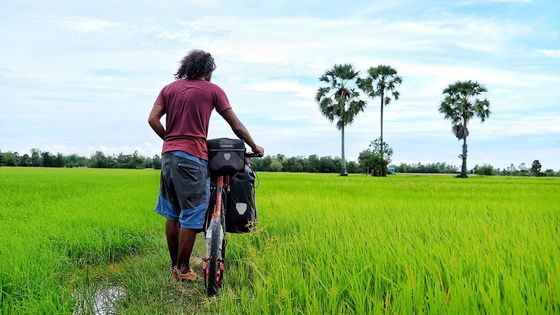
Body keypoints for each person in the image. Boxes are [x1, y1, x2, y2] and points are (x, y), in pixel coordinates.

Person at [148, 50, 264, 282]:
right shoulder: (213, 90)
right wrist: (254, 145)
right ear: (207, 70)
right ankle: (182, 269)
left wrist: (171, 140)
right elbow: (236, 125)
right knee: (192, 213)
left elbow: (152, 119)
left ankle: (175, 266)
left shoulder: (168, 88)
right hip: (192, 158)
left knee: (172, 213)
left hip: (168, 157)